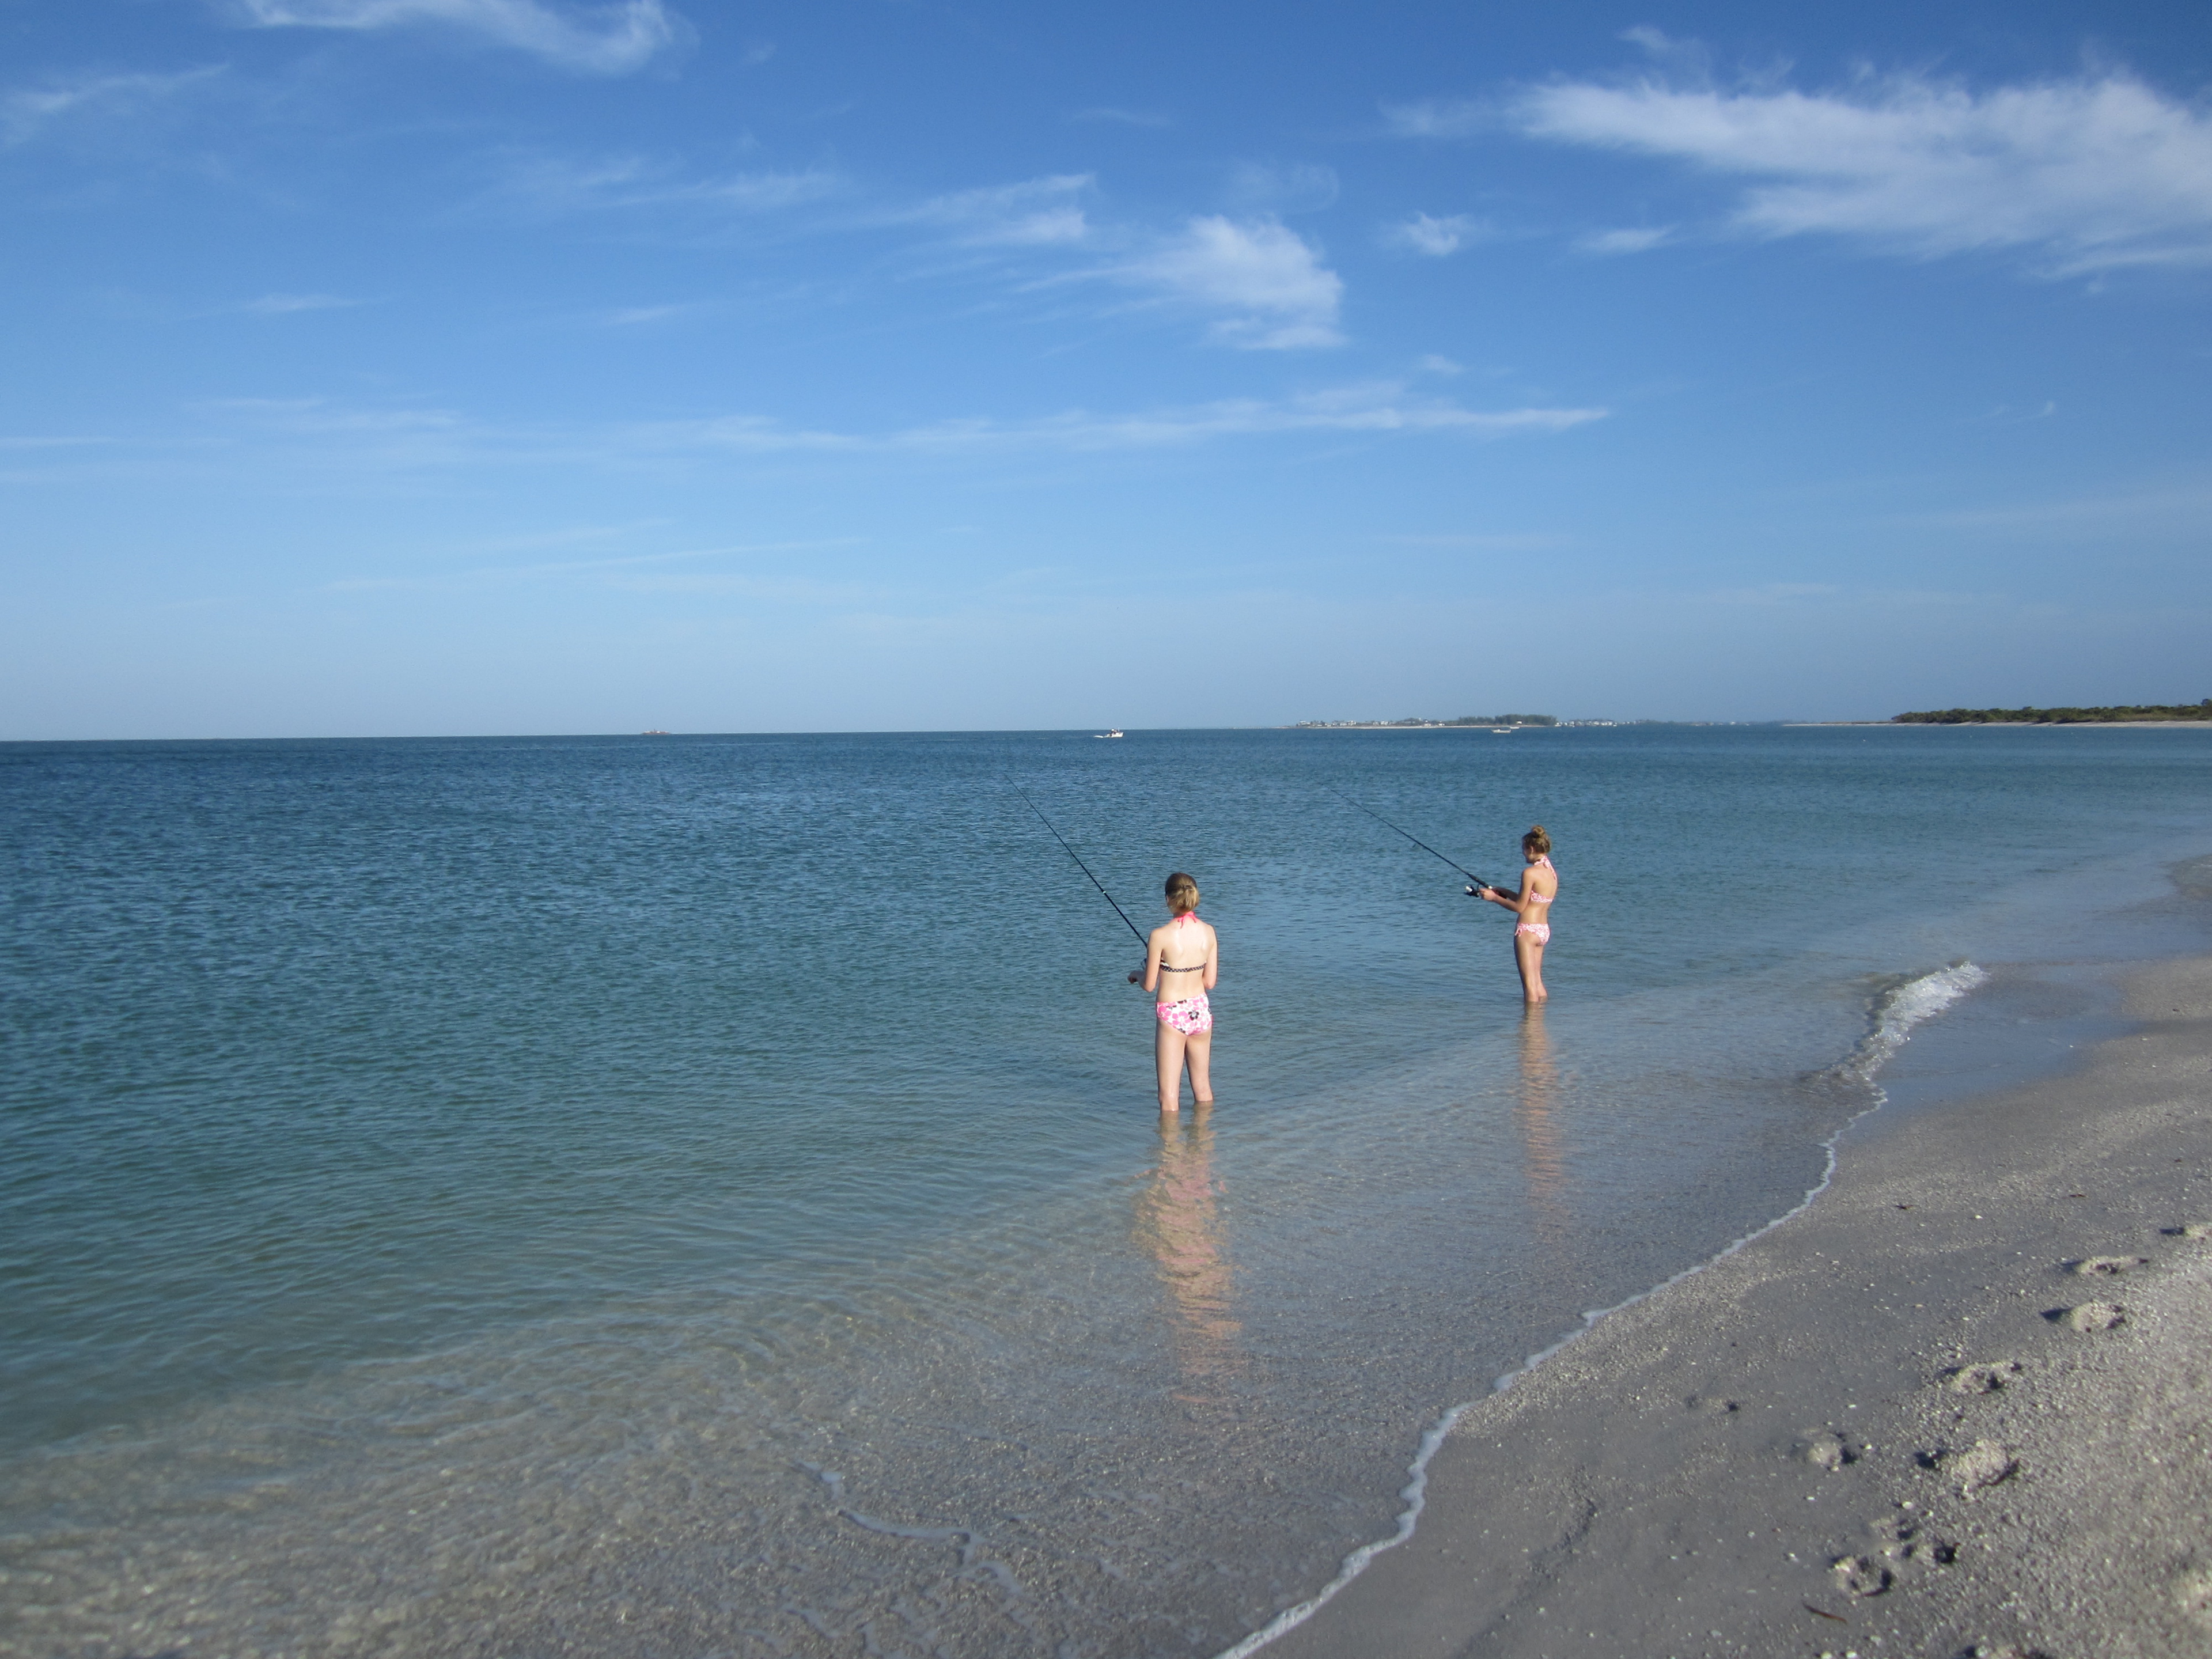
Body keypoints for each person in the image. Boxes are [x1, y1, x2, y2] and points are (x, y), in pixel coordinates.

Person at [1139, 872, 1218, 1113]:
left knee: (1168, 1097)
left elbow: (1149, 985)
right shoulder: (1209, 932)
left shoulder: (1159, 936)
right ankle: (1205, 1136)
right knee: (1203, 1089)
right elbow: (1210, 982)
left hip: (1172, 1013)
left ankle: (1169, 1139)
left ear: (1168, 899)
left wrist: (1137, 973)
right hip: (1200, 1010)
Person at [1469, 826, 1559, 1003]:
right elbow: (1529, 900)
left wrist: (1494, 898)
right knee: (1538, 984)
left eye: (1524, 849)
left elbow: (1519, 907)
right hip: (1543, 930)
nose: (1523, 853)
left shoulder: (1529, 873)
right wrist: (1502, 891)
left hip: (1527, 931)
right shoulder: (1550, 872)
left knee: (1529, 988)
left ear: (1531, 849)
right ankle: (1541, 1016)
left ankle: (1531, 1020)